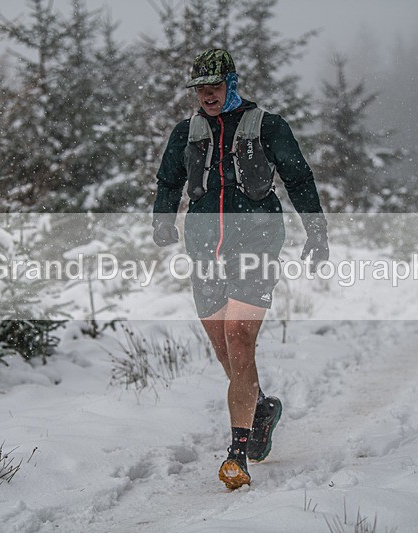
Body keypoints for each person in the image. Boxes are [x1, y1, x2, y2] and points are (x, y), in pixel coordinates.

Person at [152, 49, 329, 490]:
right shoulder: (185, 132)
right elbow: (169, 180)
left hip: (256, 245)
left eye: (215, 86)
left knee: (239, 335)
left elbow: (298, 177)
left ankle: (237, 451)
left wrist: (316, 231)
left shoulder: (268, 126)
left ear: (231, 83)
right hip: (204, 248)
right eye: (200, 88)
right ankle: (262, 407)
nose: (207, 95)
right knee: (224, 348)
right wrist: (162, 219)